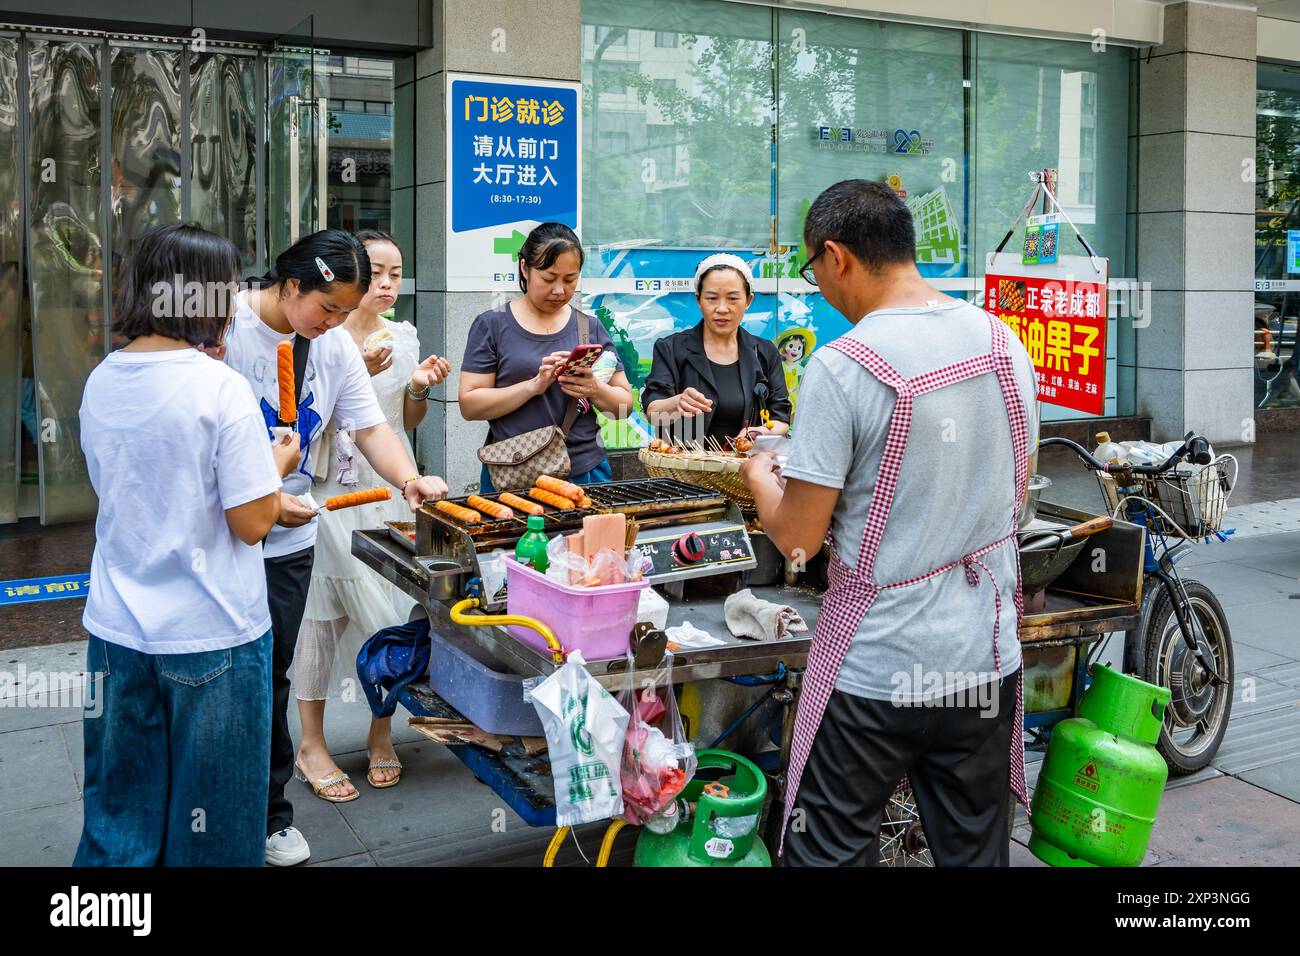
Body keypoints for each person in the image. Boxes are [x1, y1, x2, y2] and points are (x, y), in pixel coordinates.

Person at [740, 179, 1039, 867]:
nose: (817, 286)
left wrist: (762, 478)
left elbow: (796, 539)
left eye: (814, 271)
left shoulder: (844, 367)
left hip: (879, 670)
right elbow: (1014, 493)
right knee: (974, 853)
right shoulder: (1003, 341)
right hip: (983, 657)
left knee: (831, 853)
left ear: (836, 255)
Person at [75, 224, 300, 866]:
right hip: (214, 637)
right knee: (213, 832)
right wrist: (275, 464)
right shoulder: (216, 386)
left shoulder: (103, 378)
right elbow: (252, 520)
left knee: (119, 818)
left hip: (117, 631)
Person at [224, 228, 449, 866]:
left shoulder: (329, 347)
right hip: (224, 535)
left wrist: (408, 478)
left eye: (344, 313)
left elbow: (370, 424)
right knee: (222, 677)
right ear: (290, 286)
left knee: (270, 672)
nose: (334, 323)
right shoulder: (228, 329)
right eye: (327, 309)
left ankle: (270, 815)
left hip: (287, 536)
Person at [293, 229, 450, 801]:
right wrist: (349, 368)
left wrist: (417, 385)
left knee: (389, 609)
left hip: (385, 489)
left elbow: (402, 422)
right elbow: (300, 425)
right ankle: (311, 743)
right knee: (319, 615)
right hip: (322, 490)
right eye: (375, 273)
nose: (386, 284)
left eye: (394, 273)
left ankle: (380, 729)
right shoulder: (313, 338)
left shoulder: (401, 337)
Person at [459, 222, 633, 492]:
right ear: (524, 268)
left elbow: (623, 408)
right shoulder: (492, 325)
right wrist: (532, 387)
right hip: (512, 472)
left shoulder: (589, 328)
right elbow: (470, 405)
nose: (559, 290)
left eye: (570, 279)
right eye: (549, 279)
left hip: (584, 471)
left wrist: (594, 388)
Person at [641, 254, 791, 447]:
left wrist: (756, 432)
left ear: (748, 300)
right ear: (698, 300)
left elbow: (781, 419)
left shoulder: (764, 352)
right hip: (683, 470)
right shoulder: (670, 348)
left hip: (745, 471)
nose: (722, 308)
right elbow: (653, 412)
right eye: (712, 298)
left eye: (732, 298)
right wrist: (677, 403)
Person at [774, 327, 815, 419]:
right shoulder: (779, 366)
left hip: (795, 395)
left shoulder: (799, 368)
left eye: (799, 348)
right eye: (791, 346)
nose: (795, 350)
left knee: (795, 413)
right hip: (782, 395)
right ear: (782, 349)